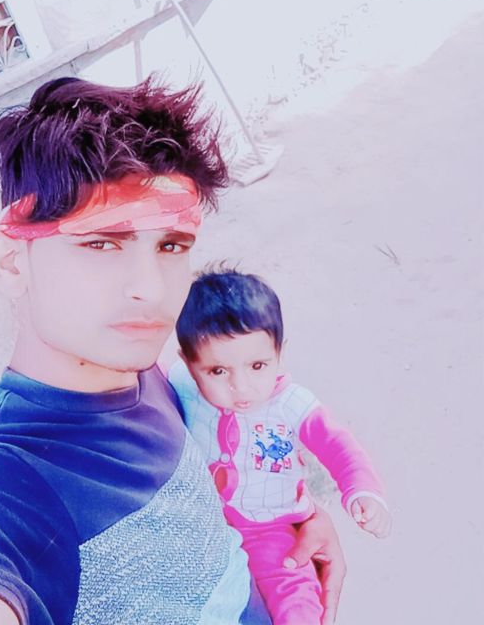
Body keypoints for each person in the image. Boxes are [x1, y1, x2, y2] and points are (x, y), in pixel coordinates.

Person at [0, 76, 346, 625]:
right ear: (12, 263)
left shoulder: (149, 374)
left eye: (171, 246)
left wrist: (287, 520)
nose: (151, 289)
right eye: (102, 243)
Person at [168, 267, 392, 625]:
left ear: (280, 353)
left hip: (270, 527)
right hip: (204, 522)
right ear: (188, 363)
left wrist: (363, 491)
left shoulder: (290, 404)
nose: (241, 386)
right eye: (218, 371)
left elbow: (339, 446)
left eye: (258, 365)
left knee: (293, 592)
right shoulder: (180, 383)